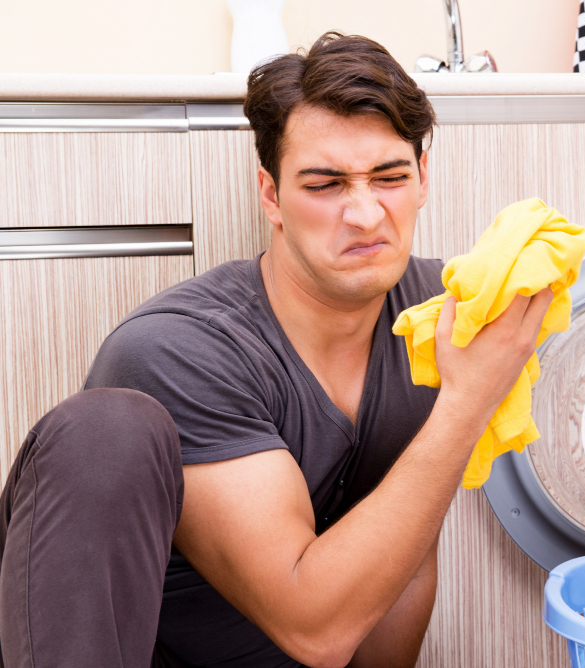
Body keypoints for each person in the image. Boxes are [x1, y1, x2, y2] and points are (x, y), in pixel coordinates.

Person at [0, 32, 553, 668]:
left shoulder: (443, 318)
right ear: (271, 195)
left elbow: (403, 555)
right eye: (325, 184)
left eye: (390, 177)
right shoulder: (179, 352)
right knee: (105, 428)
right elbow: (314, 627)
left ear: (423, 178)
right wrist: (466, 400)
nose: (366, 214)